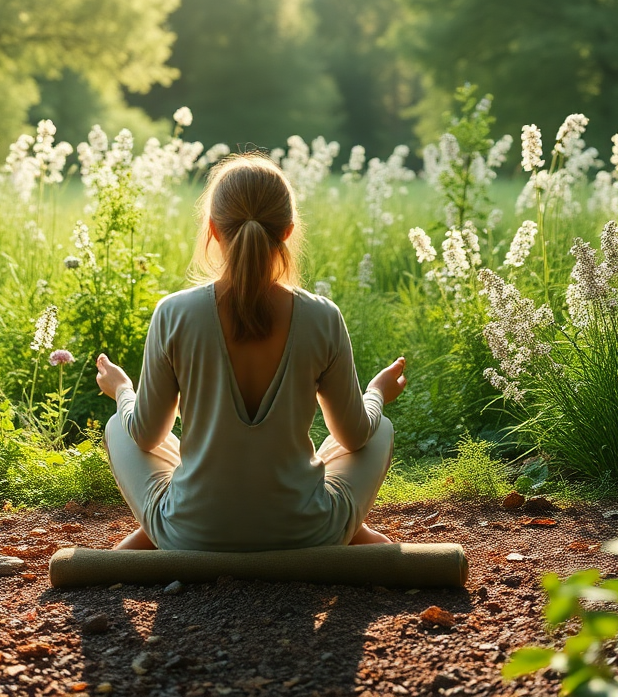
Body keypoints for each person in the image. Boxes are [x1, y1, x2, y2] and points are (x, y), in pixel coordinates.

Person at [95, 152, 407, 552]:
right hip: (306, 534)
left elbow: (145, 435)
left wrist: (122, 389)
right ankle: (350, 533)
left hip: (190, 534)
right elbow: (354, 434)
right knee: (377, 426)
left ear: (212, 229)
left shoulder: (173, 313)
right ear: (289, 231)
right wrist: (377, 393)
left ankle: (169, 528)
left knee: (121, 425)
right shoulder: (322, 317)